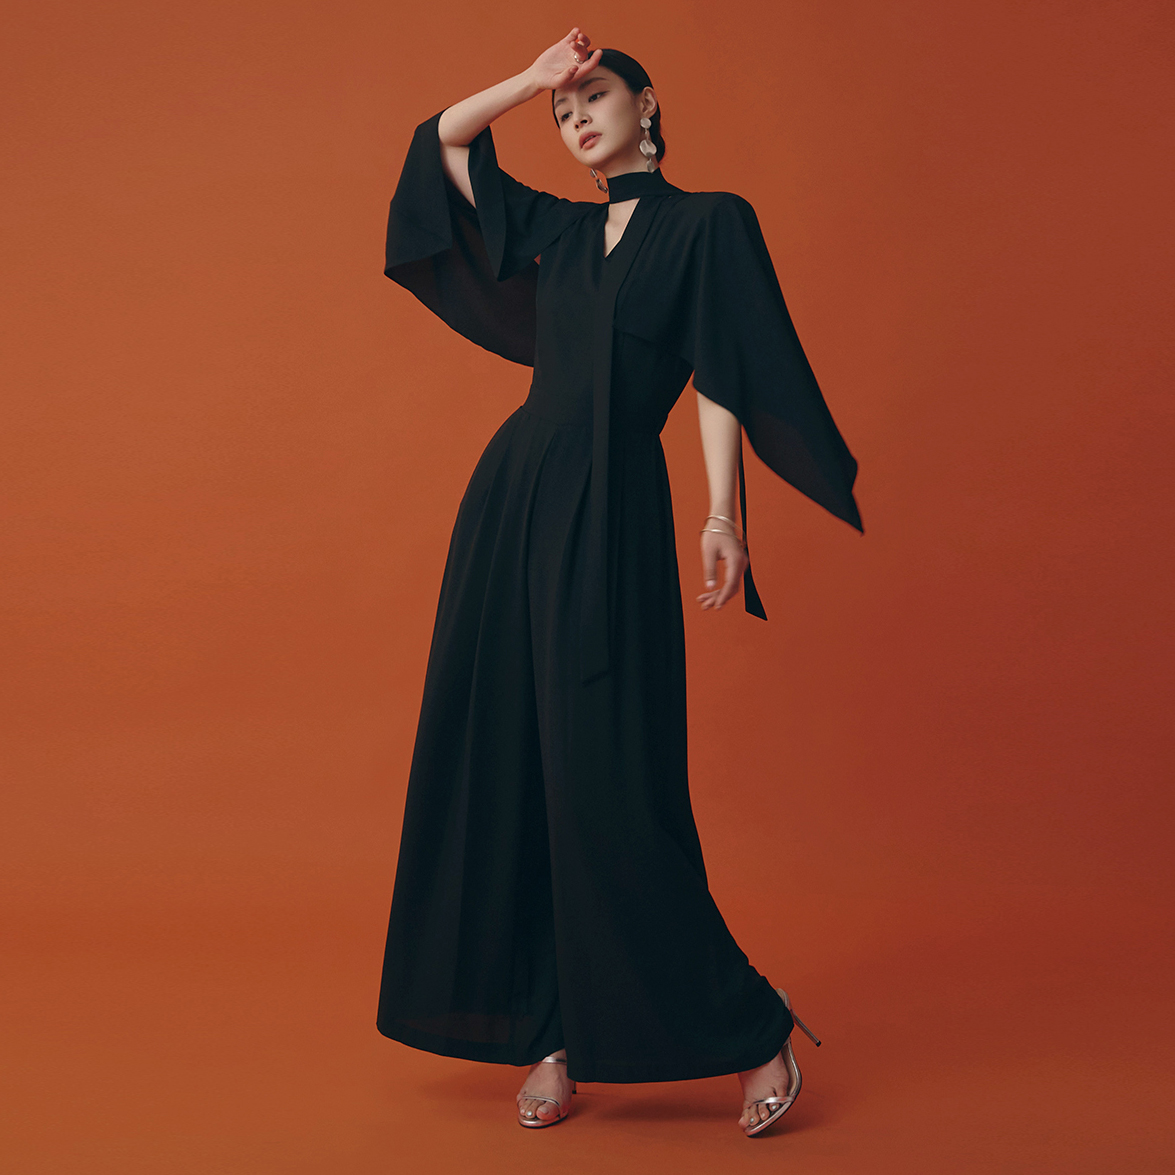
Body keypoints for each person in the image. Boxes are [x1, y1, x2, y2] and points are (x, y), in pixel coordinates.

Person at [375, 28, 860, 1137]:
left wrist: (723, 514)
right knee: (512, 761)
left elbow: (722, 367)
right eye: (564, 111)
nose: (575, 117)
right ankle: (550, 1030)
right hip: (511, 501)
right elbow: (439, 145)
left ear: (648, 105)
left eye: (593, 96)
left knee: (607, 773)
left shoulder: (709, 223)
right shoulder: (558, 227)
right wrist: (527, 80)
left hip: (611, 502)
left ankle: (748, 1024)